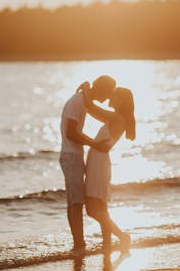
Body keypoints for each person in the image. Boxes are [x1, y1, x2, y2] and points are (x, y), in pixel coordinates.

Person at [59, 76, 116, 251]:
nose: (107, 98)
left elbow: (93, 111)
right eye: (108, 93)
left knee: (76, 202)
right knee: (75, 203)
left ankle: (79, 244)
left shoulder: (83, 101)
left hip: (75, 155)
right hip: (71, 155)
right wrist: (94, 144)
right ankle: (79, 244)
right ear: (101, 88)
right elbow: (71, 133)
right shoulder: (77, 102)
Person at [79, 84, 135, 251]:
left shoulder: (117, 119)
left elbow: (90, 107)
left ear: (122, 101)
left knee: (93, 209)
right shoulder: (116, 118)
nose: (110, 97)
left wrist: (86, 89)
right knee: (100, 208)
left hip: (99, 164)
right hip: (99, 161)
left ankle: (122, 236)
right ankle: (108, 244)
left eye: (114, 95)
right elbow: (91, 110)